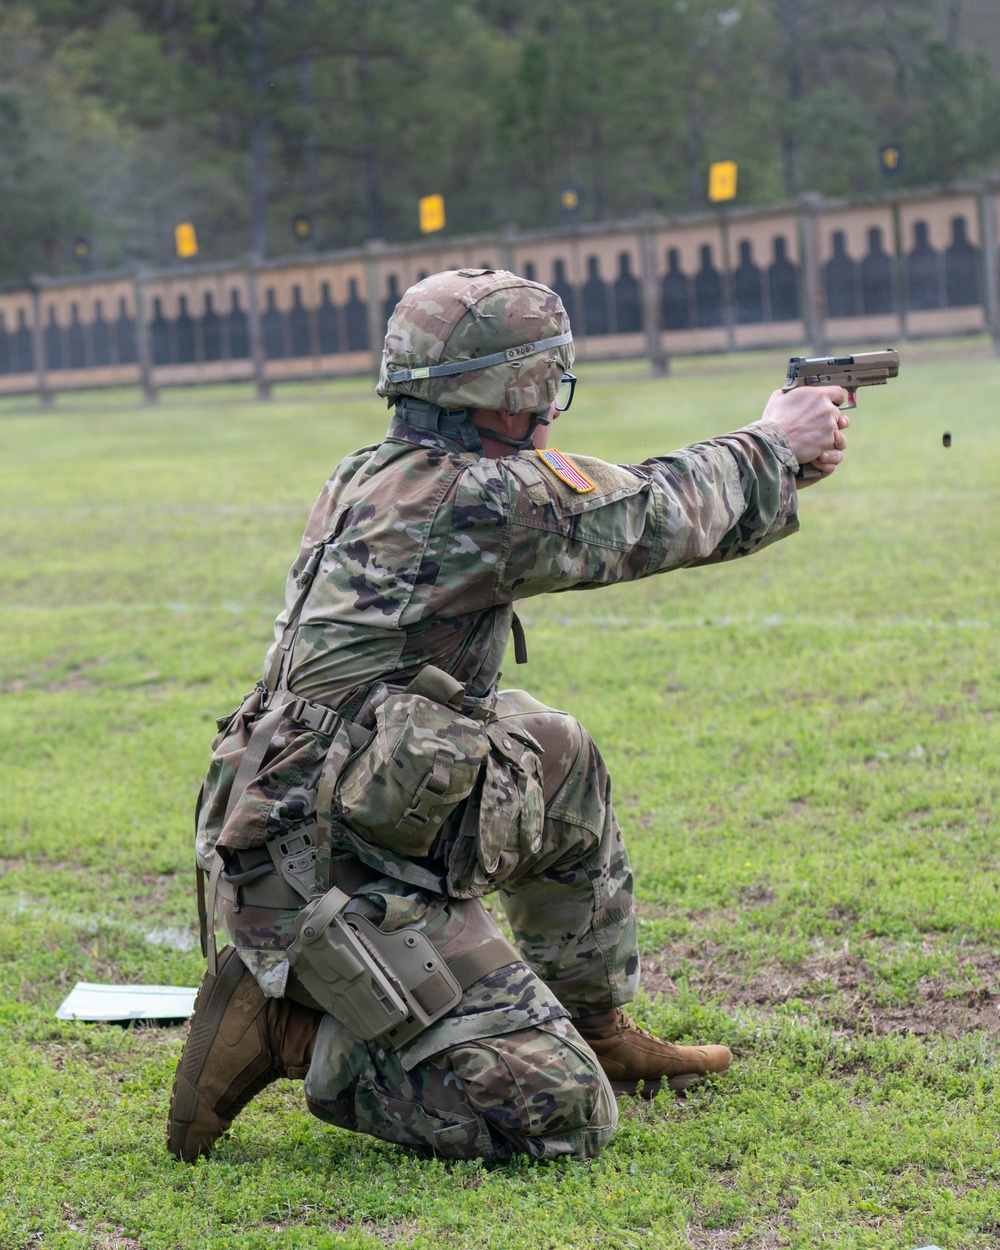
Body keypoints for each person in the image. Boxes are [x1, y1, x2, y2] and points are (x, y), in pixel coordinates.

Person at [167, 268, 848, 1165]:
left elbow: (592, 496)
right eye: (546, 384)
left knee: (553, 751)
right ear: (508, 389)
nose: (554, 409)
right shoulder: (478, 499)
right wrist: (774, 443)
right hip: (327, 872)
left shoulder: (380, 471)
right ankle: (291, 1029)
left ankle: (592, 1020)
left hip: (340, 814)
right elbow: (649, 511)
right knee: (558, 1114)